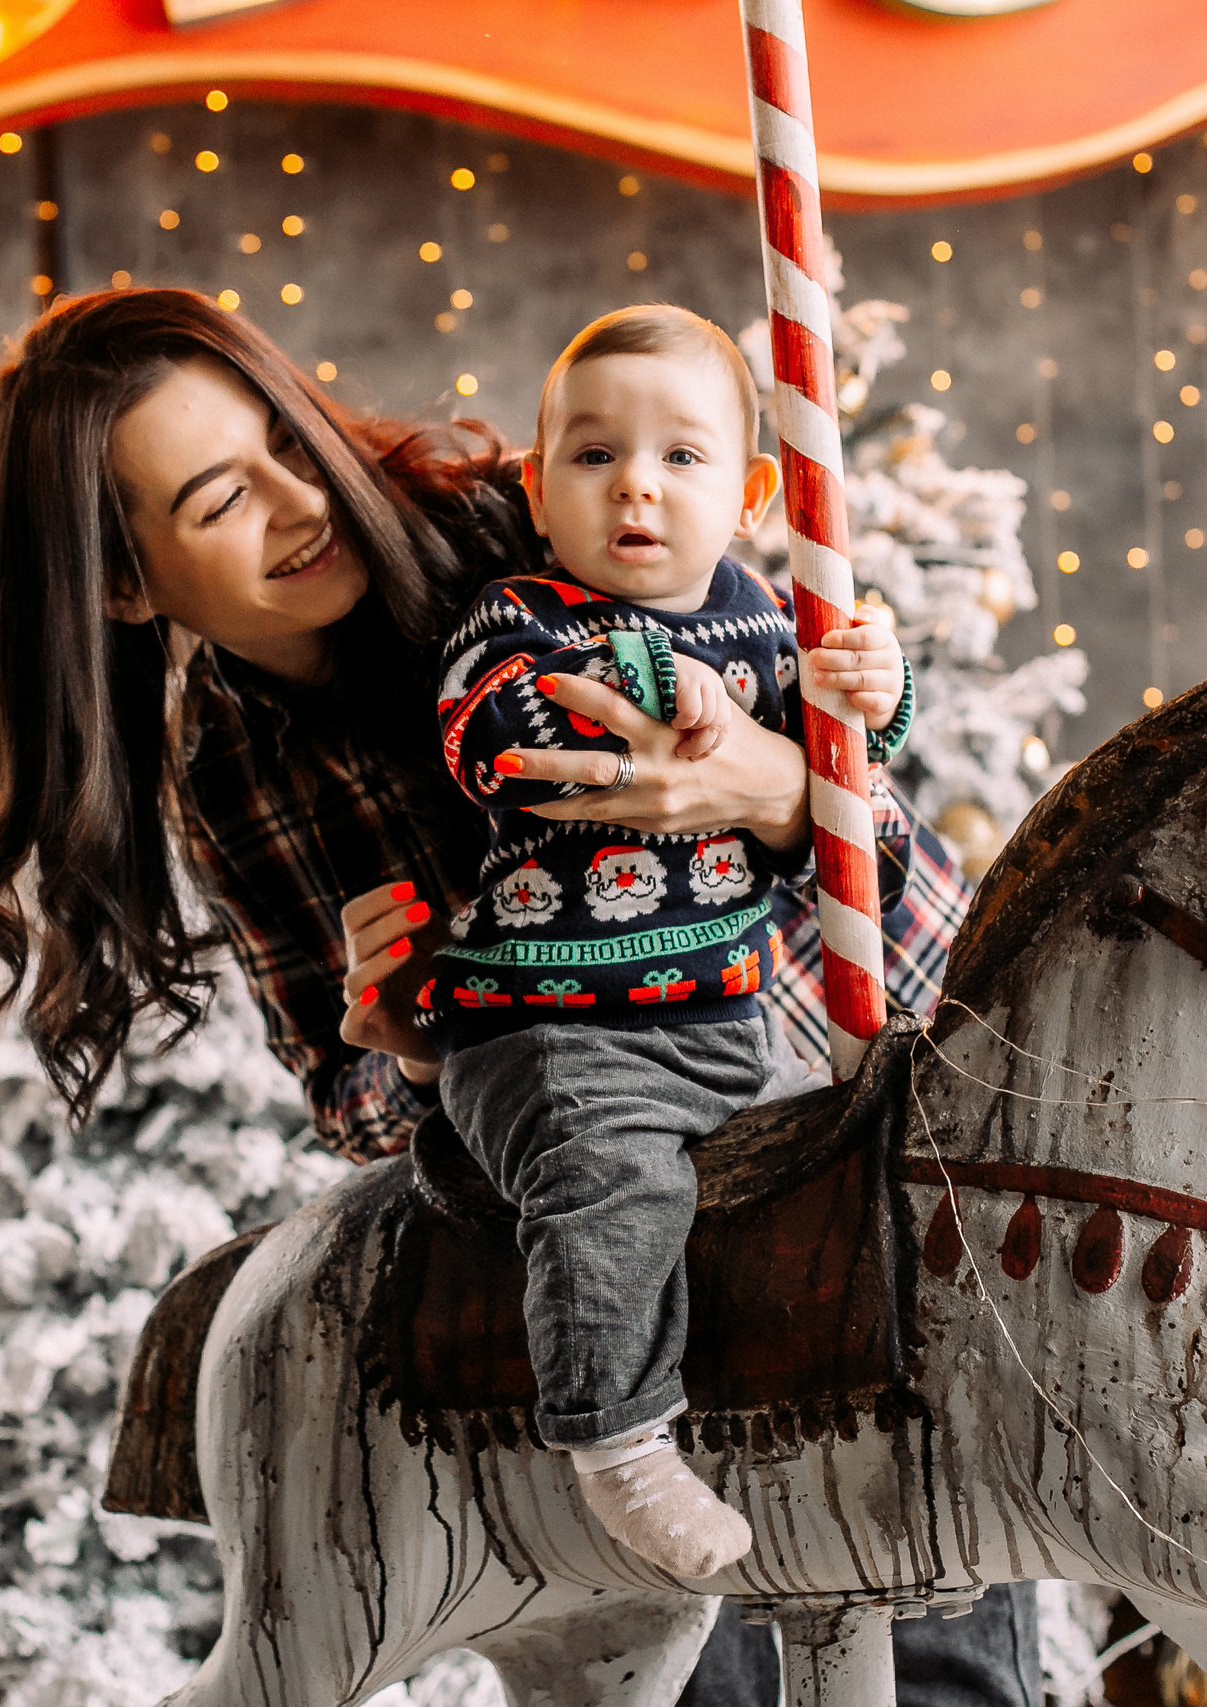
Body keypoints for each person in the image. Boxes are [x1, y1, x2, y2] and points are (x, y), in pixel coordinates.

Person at [0, 284, 1034, 1706]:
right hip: (602, 1172)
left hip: (828, 1060)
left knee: (916, 1596)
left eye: (289, 437)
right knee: (689, 1639)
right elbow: (346, 1101)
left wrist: (779, 787)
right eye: (222, 497)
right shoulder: (231, 766)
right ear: (122, 580)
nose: (298, 502)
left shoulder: (533, 514)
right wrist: (399, 1043)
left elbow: (861, 809)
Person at [418, 304, 915, 1578]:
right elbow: (495, 745)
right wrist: (646, 685)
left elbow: (856, 791)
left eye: (681, 458)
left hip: (721, 1022)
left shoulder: (766, 623)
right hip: (552, 1031)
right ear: (537, 489)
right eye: (592, 457)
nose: (635, 483)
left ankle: (837, 1406)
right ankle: (618, 1437)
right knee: (614, 1186)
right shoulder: (517, 619)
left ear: (750, 492)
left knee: (840, 1160)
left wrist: (870, 686)